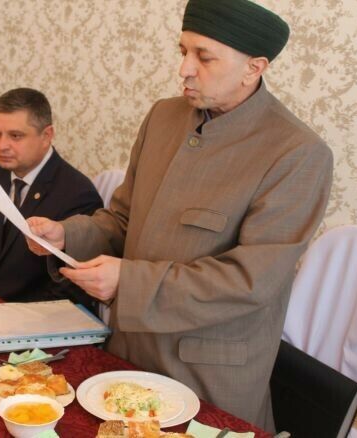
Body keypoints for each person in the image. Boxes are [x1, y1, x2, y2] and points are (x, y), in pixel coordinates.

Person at [25, 0, 333, 431]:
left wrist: (128, 281)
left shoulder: (298, 153)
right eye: (183, 51)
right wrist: (66, 235)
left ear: (254, 68)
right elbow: (124, 220)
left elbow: (250, 281)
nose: (184, 69)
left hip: (206, 375)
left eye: (204, 57)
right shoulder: (163, 117)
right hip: (129, 352)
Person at [0, 88, 103, 312]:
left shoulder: (78, 193)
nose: (1, 146)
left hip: (34, 319)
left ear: (47, 136)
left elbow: (70, 289)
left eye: (15, 136)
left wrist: (6, 317)